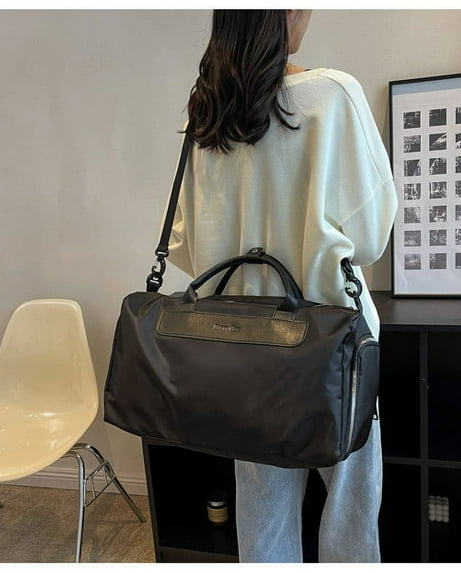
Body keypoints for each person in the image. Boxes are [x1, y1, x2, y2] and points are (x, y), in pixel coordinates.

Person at [167, 9, 397, 563]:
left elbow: (185, 248)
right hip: (333, 345)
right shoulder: (333, 95)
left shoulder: (208, 111)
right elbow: (371, 238)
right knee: (350, 507)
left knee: (262, 508)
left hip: (244, 352)